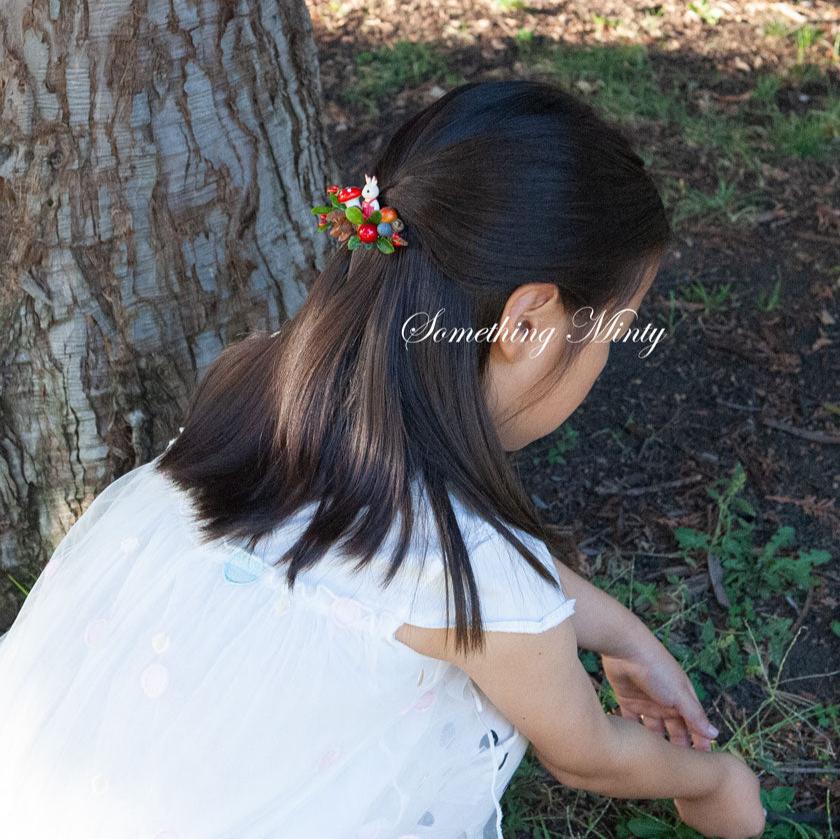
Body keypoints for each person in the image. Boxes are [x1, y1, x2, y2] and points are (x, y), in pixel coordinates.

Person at [0, 80, 766, 839]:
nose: (606, 357)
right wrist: (718, 781)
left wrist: (624, 636)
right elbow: (589, 753)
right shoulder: (474, 568)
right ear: (528, 323)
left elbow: (417, 557)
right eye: (611, 331)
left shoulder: (257, 380)